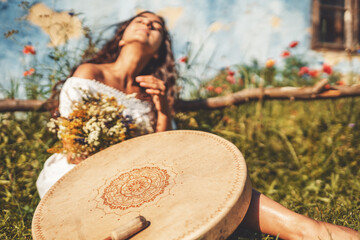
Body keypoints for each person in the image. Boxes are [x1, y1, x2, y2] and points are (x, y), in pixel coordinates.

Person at [36, 11, 359, 240]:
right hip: (82, 175)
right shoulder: (90, 72)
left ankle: (304, 229)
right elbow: (74, 146)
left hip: (144, 174)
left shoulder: (154, 91)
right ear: (121, 35)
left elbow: (165, 150)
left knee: (203, 178)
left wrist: (162, 108)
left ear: (160, 45)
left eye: (156, 26)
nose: (147, 26)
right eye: (140, 20)